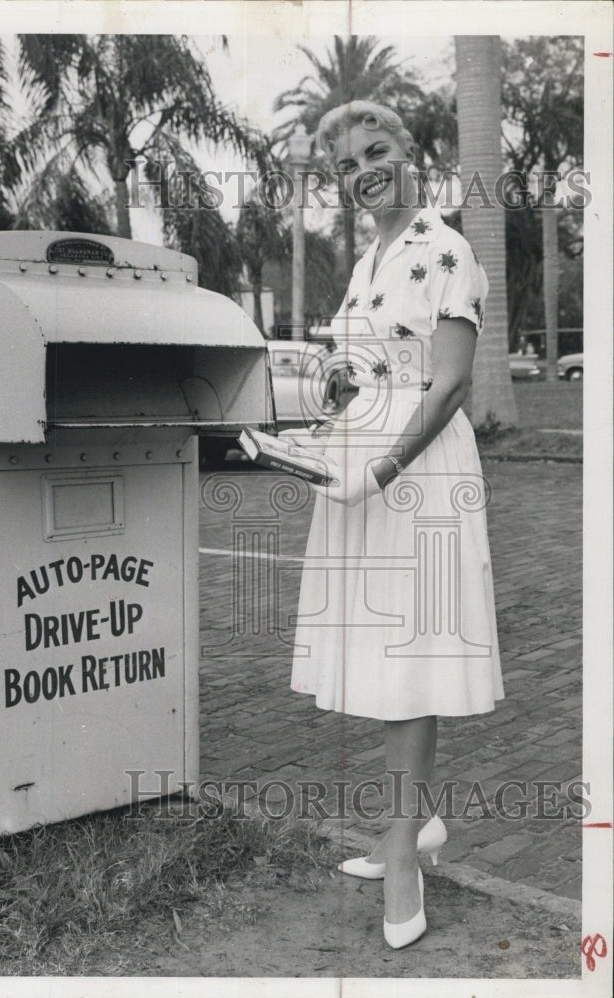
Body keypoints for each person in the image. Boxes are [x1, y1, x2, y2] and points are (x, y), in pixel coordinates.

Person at [290, 101, 504, 949]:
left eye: (375, 151)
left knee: (410, 656)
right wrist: (317, 425)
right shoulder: (367, 261)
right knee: (386, 657)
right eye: (345, 165)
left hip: (416, 474)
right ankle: (408, 828)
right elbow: (360, 374)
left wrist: (379, 468)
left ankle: (405, 853)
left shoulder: (446, 249)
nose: (362, 172)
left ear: (409, 151)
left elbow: (448, 384)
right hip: (360, 466)